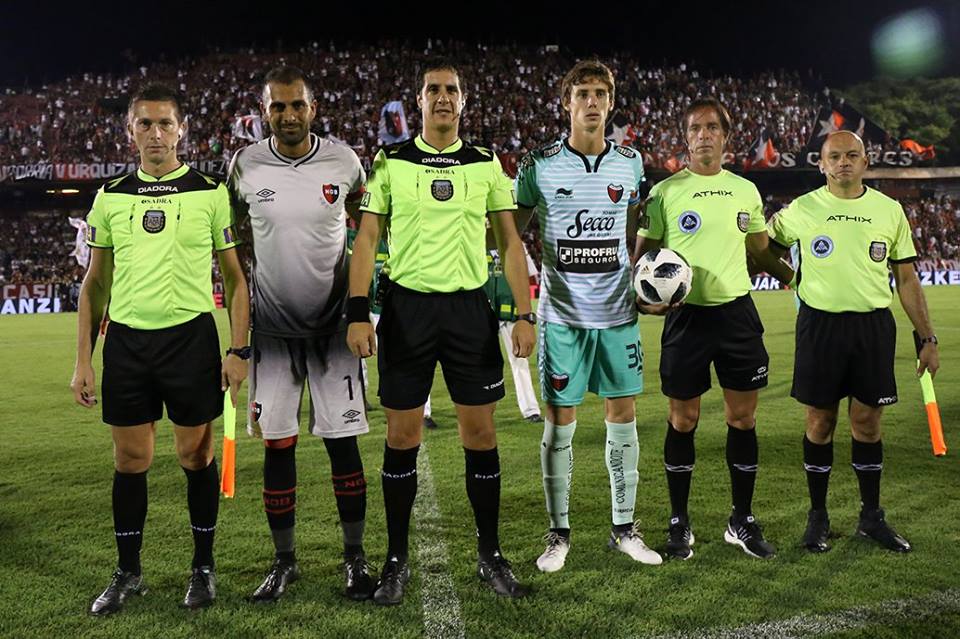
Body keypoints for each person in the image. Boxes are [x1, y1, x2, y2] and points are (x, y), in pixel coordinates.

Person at [347, 62, 535, 604]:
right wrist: (357, 312)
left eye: (452, 90)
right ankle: (396, 560)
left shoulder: (485, 162)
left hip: (468, 312)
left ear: (463, 101)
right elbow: (366, 239)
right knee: (402, 437)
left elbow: (510, 241)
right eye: (434, 90)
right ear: (420, 101)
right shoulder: (391, 161)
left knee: (481, 435)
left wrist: (524, 313)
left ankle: (490, 555)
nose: (443, 97)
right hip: (407, 311)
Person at [71, 84, 249, 614]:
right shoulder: (110, 196)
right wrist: (83, 360)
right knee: (131, 459)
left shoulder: (210, 192)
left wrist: (239, 349)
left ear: (181, 130)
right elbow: (95, 283)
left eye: (165, 123)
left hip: (190, 339)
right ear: (131, 131)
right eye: (145, 124)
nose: (155, 133)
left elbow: (235, 279)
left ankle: (203, 567)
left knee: (196, 455)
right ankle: (128, 572)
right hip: (127, 343)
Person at [227, 66, 374, 602]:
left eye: (296, 105)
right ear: (263, 112)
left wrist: (360, 306)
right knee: (278, 446)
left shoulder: (344, 161)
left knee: (342, 445)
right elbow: (232, 240)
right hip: (272, 333)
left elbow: (367, 226)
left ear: (313, 108)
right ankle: (283, 562)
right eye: (277, 106)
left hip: (335, 330)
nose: (288, 115)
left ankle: (354, 558)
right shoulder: (244, 165)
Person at [515, 60, 661, 573]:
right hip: (562, 318)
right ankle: (558, 534)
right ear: (567, 103)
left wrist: (646, 280)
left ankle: (624, 529)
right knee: (560, 424)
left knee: (623, 417)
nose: (592, 102)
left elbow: (638, 228)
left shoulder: (631, 164)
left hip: (618, 314)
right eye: (583, 94)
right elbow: (510, 235)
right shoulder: (538, 164)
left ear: (611, 102)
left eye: (600, 93)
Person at [634, 97, 794, 560]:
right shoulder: (665, 193)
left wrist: (797, 279)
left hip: (737, 315)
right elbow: (642, 259)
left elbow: (760, 250)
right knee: (683, 419)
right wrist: (644, 300)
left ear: (725, 136)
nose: (703, 134)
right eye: (695, 128)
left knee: (742, 419)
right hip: (687, 318)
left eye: (712, 127)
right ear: (686, 138)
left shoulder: (745, 191)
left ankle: (740, 520)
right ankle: (678, 522)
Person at [766, 130, 939, 553]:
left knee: (867, 422)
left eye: (851, 155)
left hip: (872, 327)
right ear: (821, 164)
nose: (843, 162)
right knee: (819, 422)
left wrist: (927, 337)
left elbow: (906, 279)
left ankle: (871, 517)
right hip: (819, 326)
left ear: (865, 162)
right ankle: (818, 517)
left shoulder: (889, 211)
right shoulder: (802, 209)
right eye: (834, 156)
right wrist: (792, 278)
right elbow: (762, 249)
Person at [484, 247, 541, 423]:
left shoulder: (516, 245)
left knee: (519, 359)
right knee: (480, 363)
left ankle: (530, 410)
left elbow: (529, 274)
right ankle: (481, 408)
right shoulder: (475, 239)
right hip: (482, 311)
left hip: (511, 311)